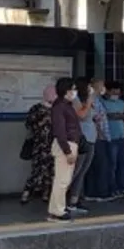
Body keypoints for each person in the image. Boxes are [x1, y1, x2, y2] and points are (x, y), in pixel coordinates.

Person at [48, 78, 81, 222]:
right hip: (65, 145)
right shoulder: (60, 107)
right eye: (73, 89)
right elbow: (60, 131)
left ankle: (58, 207)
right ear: (66, 91)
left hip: (69, 143)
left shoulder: (65, 105)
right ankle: (57, 211)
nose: (75, 92)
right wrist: (67, 151)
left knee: (64, 179)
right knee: (62, 180)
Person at [21, 85, 56, 204]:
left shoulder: (57, 108)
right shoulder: (36, 108)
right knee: (38, 170)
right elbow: (29, 124)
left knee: (51, 171)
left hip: (54, 144)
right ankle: (26, 192)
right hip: (40, 145)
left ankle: (46, 194)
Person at [102, 81, 124, 197]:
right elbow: (106, 116)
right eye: (113, 92)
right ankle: (112, 188)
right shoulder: (102, 102)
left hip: (121, 136)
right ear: (107, 91)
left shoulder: (121, 103)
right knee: (111, 164)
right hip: (109, 137)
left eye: (118, 92)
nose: (116, 94)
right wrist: (120, 116)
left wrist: (120, 116)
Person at [68, 77, 96, 214]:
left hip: (91, 137)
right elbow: (82, 116)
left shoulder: (85, 101)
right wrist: (90, 99)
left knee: (82, 171)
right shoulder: (75, 100)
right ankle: (64, 200)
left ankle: (75, 200)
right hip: (82, 138)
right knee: (75, 171)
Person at [85, 79, 114, 202]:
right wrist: (100, 134)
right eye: (102, 86)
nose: (104, 88)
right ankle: (101, 192)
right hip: (97, 137)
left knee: (95, 165)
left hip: (100, 136)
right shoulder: (92, 100)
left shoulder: (98, 100)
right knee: (101, 165)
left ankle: (92, 192)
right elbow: (94, 118)